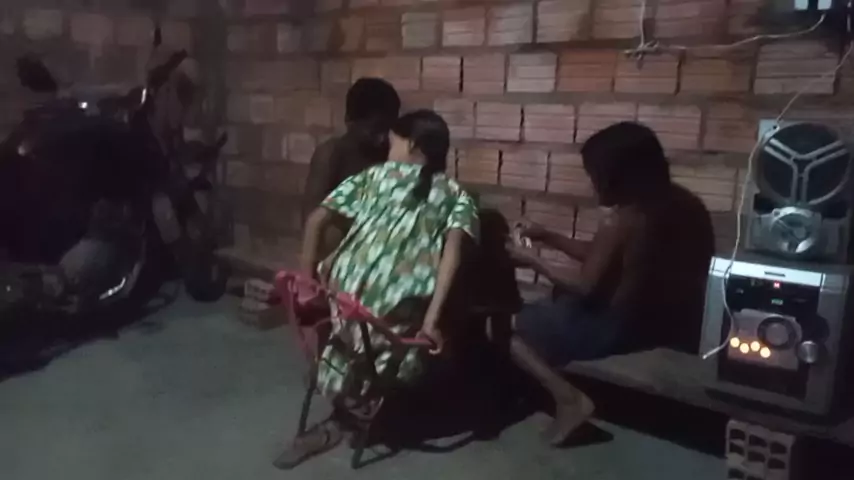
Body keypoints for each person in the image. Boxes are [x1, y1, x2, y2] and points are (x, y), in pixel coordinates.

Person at [275, 110, 479, 469]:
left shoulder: (373, 176)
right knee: (400, 352)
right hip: (395, 309)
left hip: (344, 297)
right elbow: (453, 257)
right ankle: (365, 405)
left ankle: (345, 408)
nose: (387, 148)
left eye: (393, 142)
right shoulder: (456, 195)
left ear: (412, 145)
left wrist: (306, 283)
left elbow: (317, 220)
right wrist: (431, 321)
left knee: (343, 348)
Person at [504, 121, 715, 446]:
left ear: (618, 175)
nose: (593, 184)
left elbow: (586, 288)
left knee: (504, 326)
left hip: (616, 329)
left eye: (595, 175)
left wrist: (532, 260)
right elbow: (605, 257)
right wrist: (548, 236)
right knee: (550, 307)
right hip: (666, 323)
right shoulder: (684, 204)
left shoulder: (623, 220)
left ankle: (569, 399)